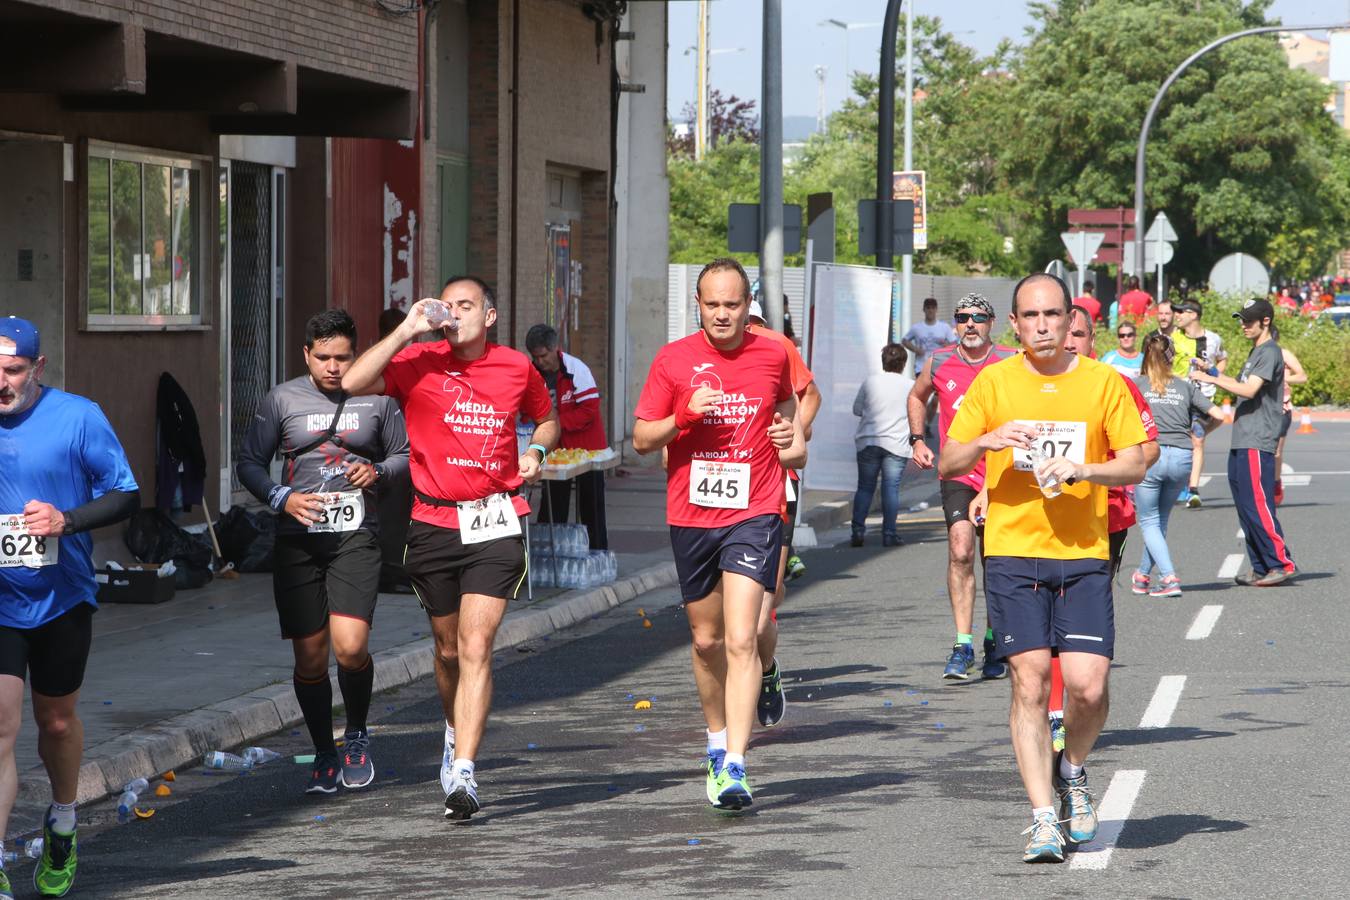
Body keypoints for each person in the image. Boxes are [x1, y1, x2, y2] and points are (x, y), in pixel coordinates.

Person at [941, 274, 1148, 863]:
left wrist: (1084, 471)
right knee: (1029, 682)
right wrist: (989, 437)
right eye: (1030, 316)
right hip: (1011, 550)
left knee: (1088, 685)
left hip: (1082, 552)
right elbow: (950, 459)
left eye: (1053, 315)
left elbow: (1134, 463)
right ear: (1015, 323)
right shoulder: (995, 380)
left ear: (1068, 319)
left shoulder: (1102, 381)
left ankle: (1073, 769)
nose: (1042, 326)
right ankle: (1041, 818)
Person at [342, 276, 559, 820]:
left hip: (496, 518)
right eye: (449, 304)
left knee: (477, 644)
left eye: (467, 305)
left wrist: (535, 451)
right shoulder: (420, 361)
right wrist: (408, 330)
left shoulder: (516, 366)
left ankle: (464, 771)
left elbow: (548, 418)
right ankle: (452, 727)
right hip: (434, 522)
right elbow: (353, 381)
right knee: (447, 652)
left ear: (489, 316)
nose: (455, 312)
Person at [633, 257, 805, 812]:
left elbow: (791, 425)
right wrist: (682, 417)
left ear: (748, 304)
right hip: (692, 514)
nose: (724, 314)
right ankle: (714, 742)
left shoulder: (773, 352)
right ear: (698, 305)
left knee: (740, 638)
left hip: (754, 511)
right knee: (706, 642)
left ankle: (735, 763)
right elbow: (640, 438)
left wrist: (790, 439)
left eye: (734, 304)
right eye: (714, 304)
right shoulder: (673, 360)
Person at [237, 309, 410, 796]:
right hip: (299, 539)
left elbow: (403, 455)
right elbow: (249, 462)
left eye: (344, 357)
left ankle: (355, 734)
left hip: (356, 535)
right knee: (311, 659)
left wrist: (376, 473)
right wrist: (282, 497)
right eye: (325, 358)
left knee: (350, 647)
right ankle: (324, 752)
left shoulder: (378, 400)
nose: (335, 367)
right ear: (306, 354)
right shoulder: (282, 399)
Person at [0, 317, 139, 899]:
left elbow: (125, 494)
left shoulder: (77, 416)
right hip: (0, 600)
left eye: (12, 371)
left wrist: (66, 519)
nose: (0, 382)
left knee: (55, 721)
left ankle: (62, 818)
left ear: (38, 367)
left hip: (61, 595)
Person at [908, 293, 1016, 681]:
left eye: (978, 318)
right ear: (954, 324)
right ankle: (962, 644)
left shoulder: (1010, 360)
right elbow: (917, 395)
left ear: (992, 324)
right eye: (963, 318)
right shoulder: (939, 361)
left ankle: (994, 640)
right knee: (960, 550)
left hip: (1002, 472)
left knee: (997, 561)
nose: (970, 324)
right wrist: (917, 439)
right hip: (958, 471)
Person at [746, 299, 820, 729]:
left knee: (766, 599)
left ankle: (766, 667)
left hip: (776, 485)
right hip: (722, 498)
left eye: (753, 321)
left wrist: (796, 430)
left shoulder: (779, 348)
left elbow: (812, 394)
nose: (747, 328)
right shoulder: (699, 354)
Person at [1192, 299, 1295, 586]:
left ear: (1266, 321)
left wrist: (1207, 379)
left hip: (1257, 438)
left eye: (1249, 320)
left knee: (1258, 504)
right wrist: (1212, 371)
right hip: (1243, 437)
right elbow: (1239, 383)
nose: (1243, 325)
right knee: (1245, 505)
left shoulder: (1270, 351)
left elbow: (1249, 390)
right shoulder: (1256, 352)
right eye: (1242, 319)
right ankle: (1261, 565)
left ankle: (1280, 563)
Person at [1129, 333, 1225, 597]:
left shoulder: (1135, 385)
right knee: (1159, 521)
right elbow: (1218, 415)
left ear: (1144, 355)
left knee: (1148, 520)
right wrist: (1201, 433)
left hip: (1151, 455)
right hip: (1183, 456)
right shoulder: (1184, 386)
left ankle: (1169, 577)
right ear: (1172, 357)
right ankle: (1142, 576)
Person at [524, 324, 609, 550]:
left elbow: (589, 411)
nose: (540, 362)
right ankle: (549, 553)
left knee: (591, 505)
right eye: (535, 357)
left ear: (555, 349)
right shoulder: (532, 373)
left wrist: (556, 425)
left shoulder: (575, 368)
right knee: (553, 503)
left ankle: (597, 552)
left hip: (587, 448)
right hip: (555, 451)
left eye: (543, 356)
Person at [851, 344, 913, 548]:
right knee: (890, 488)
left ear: (883, 362)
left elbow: (857, 409)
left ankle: (858, 530)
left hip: (868, 440)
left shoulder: (870, 383)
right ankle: (889, 533)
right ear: (903, 364)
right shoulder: (909, 386)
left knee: (865, 487)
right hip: (896, 443)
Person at [1174, 300, 1226, 508]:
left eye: (1182, 312)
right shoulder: (1173, 338)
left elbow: (1223, 358)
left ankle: (1193, 490)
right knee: (1183, 441)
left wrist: (1213, 373)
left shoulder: (1213, 339)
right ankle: (1180, 482)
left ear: (1193, 315)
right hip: (1179, 396)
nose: (1177, 316)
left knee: (1197, 440)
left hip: (1203, 397)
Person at [1273, 337, 1308, 505]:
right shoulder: (1255, 355)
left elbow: (1302, 376)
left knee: (1276, 452)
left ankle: (1276, 483)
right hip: (1261, 410)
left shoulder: (1283, 354)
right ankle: (1262, 486)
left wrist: (1284, 379)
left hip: (1281, 408)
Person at [901, 297, 958, 380]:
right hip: (921, 368)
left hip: (940, 368)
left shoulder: (944, 327)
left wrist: (946, 346)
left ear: (936, 309)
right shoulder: (917, 328)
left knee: (938, 393)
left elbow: (955, 344)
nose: (930, 310)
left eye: (933, 308)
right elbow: (904, 341)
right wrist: (916, 349)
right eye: (928, 308)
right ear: (924, 309)